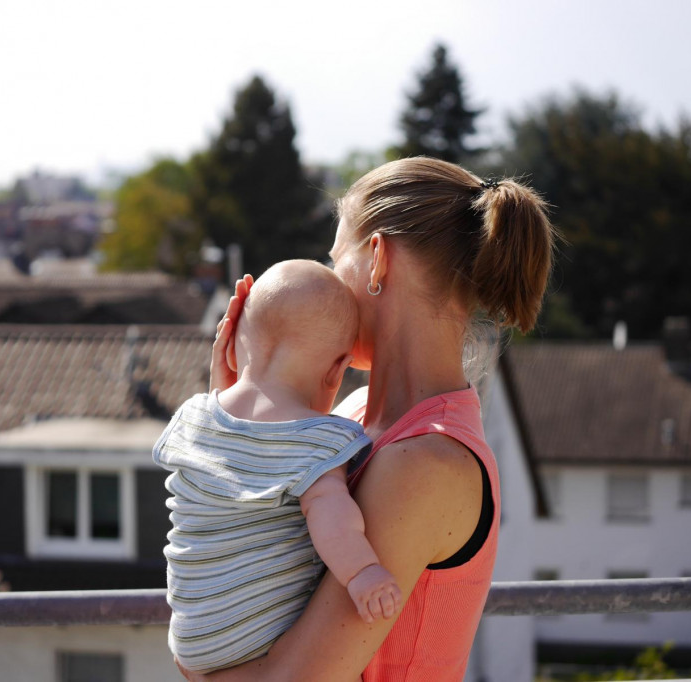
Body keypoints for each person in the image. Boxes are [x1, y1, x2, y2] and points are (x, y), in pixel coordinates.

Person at [180, 157, 556, 682]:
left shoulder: (425, 462)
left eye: (336, 262)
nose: (328, 280)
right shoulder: (353, 415)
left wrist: (193, 662)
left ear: (377, 258)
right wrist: (236, 409)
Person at [153, 259, 403, 674]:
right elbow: (331, 517)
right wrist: (363, 572)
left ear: (231, 342)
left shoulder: (194, 416)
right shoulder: (316, 439)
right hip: (256, 642)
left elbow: (225, 467)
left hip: (190, 638)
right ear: (337, 370)